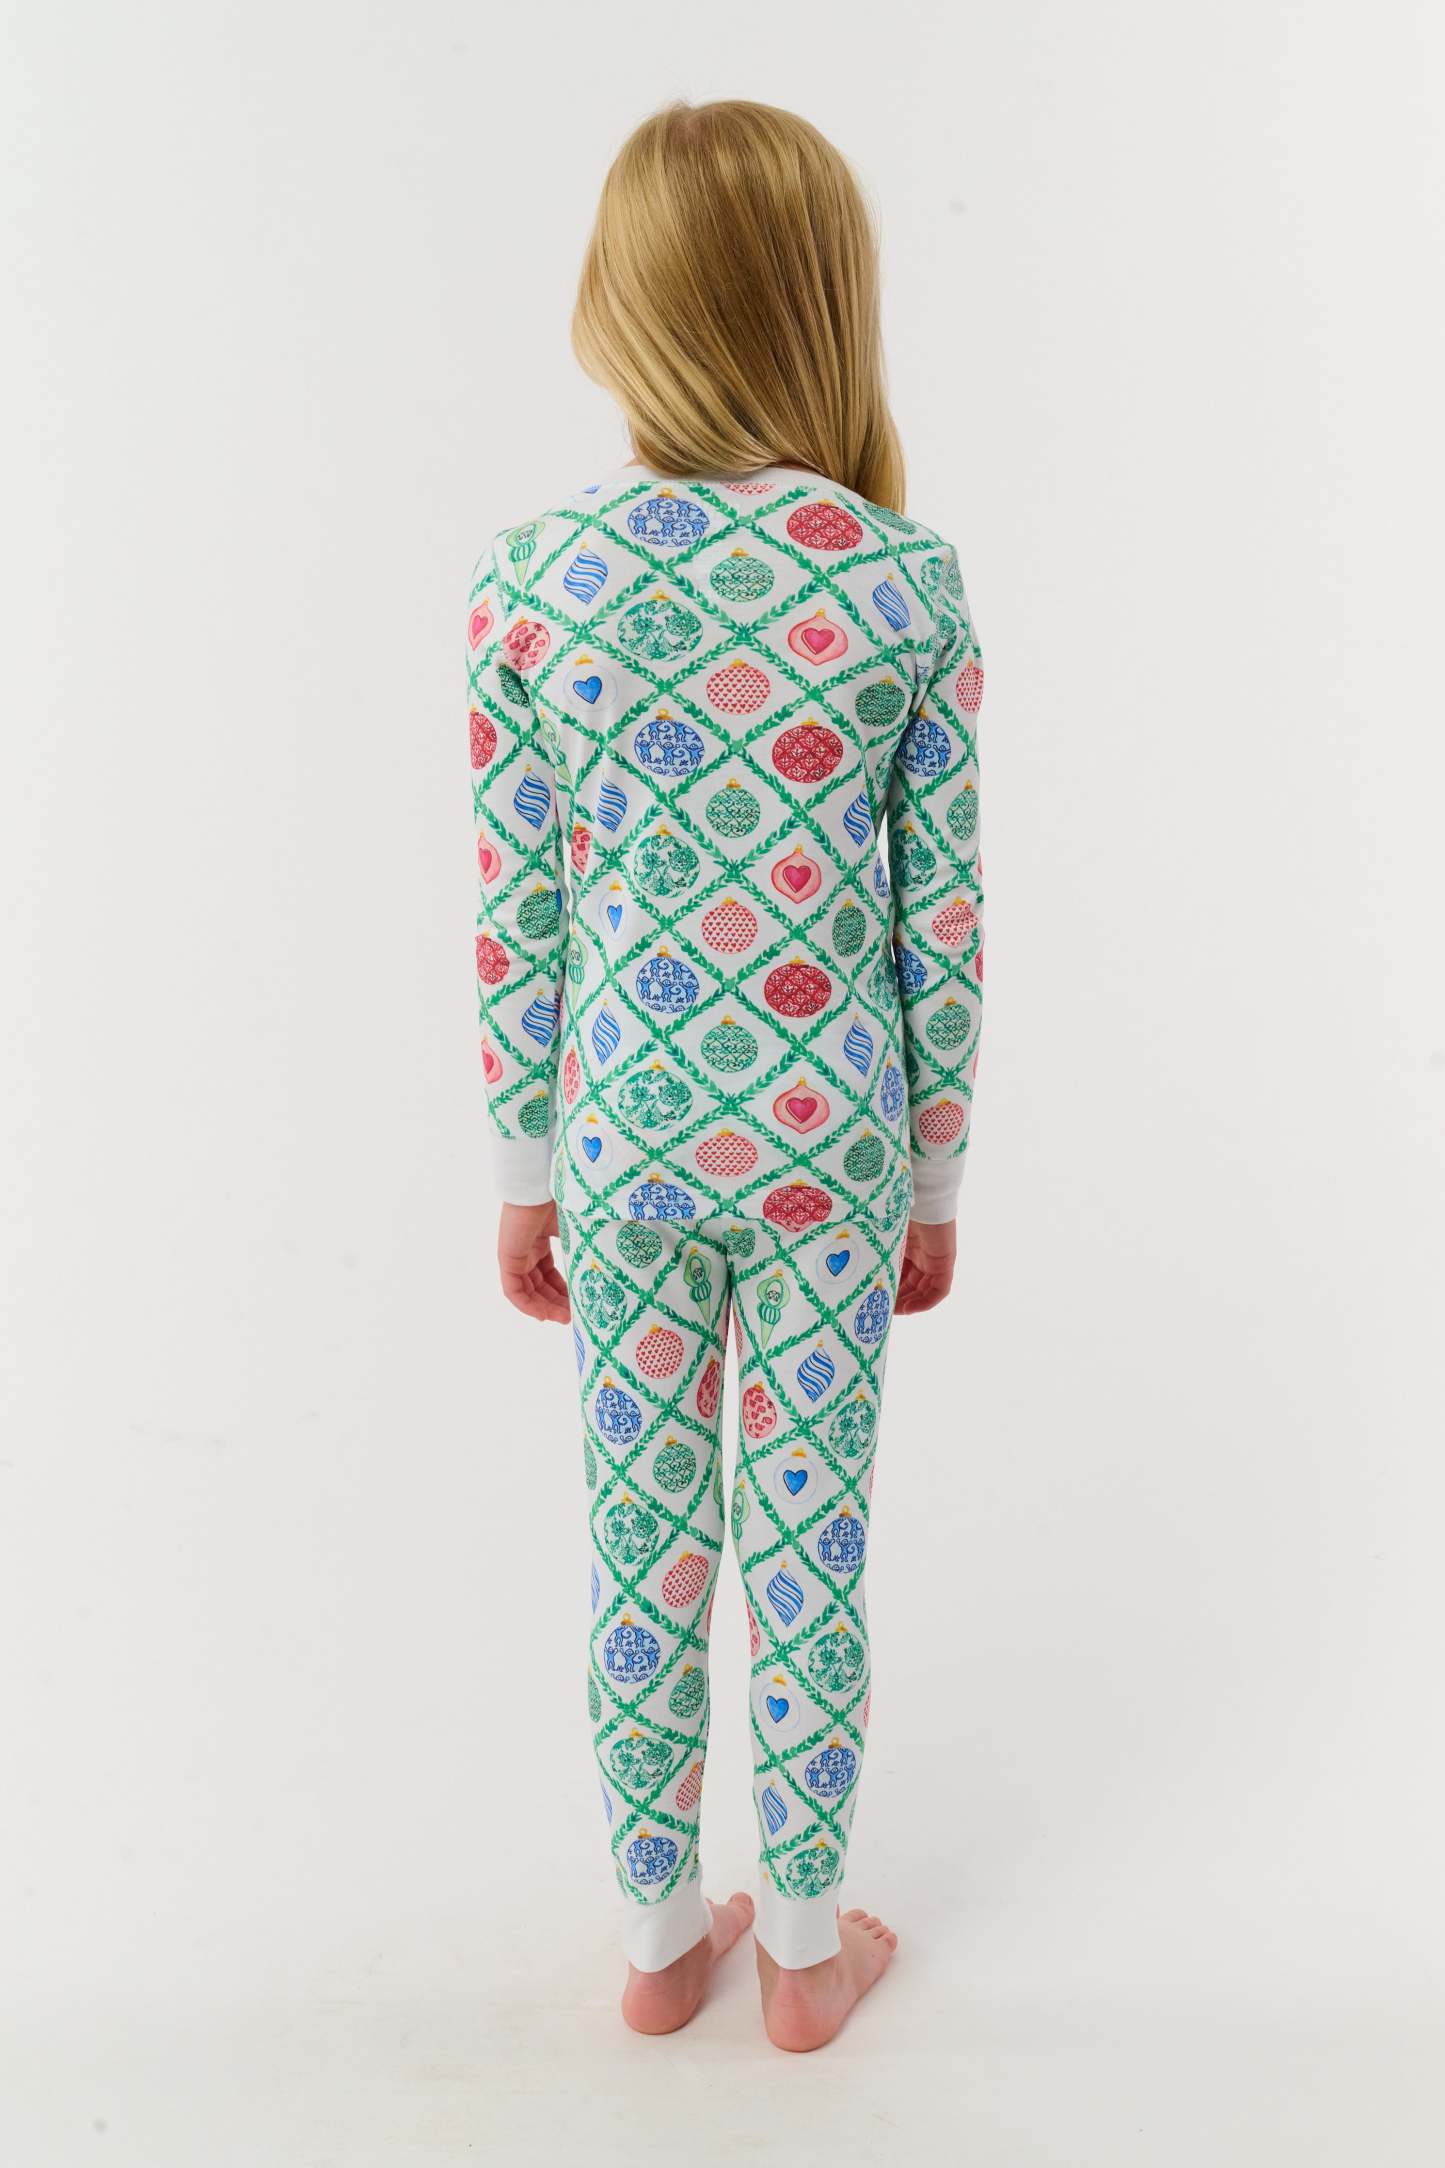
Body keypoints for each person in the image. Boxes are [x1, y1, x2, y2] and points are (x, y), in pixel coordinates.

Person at [467, 99, 984, 2051]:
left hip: (622, 1142)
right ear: (823, 302)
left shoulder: (530, 582)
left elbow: (519, 916)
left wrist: (525, 1173)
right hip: (828, 1144)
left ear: (621, 304)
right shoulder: (904, 584)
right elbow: (945, 927)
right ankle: (807, 1953)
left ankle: (656, 1938)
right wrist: (933, 1184)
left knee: (643, 1536)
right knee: (805, 1541)